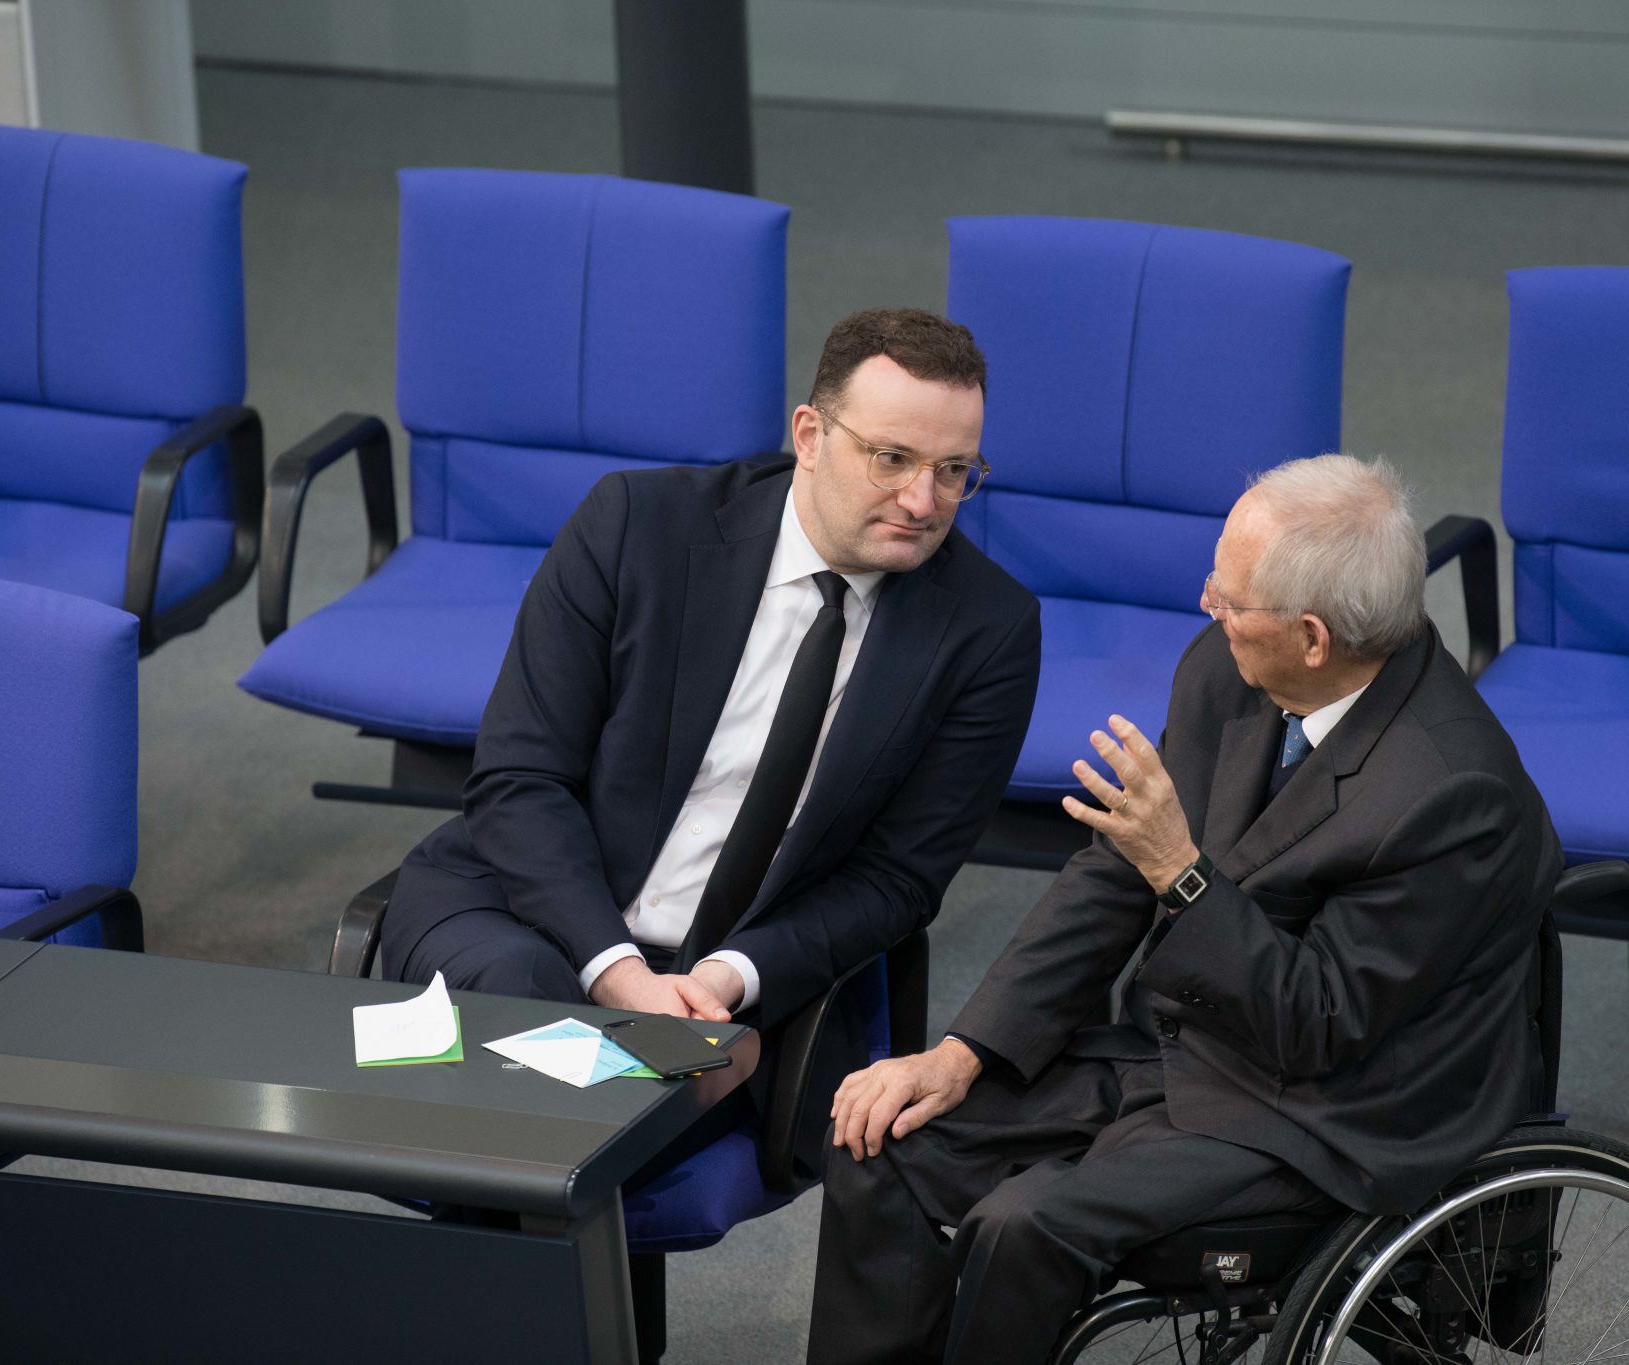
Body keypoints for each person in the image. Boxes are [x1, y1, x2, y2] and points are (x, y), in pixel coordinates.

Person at [808, 454, 1562, 1365]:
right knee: (879, 1144)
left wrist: (1182, 871)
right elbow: (1111, 875)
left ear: (1313, 637)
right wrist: (962, 1052)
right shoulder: (1229, 668)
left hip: (1331, 1115)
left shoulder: (1453, 795)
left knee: (1024, 1224)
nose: (1207, 603)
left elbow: (1318, 1023)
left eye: (1232, 596)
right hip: (1180, 1054)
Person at [382, 309, 1039, 1120]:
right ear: (809, 434)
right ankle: (646, 1086)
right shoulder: (635, 526)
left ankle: (627, 1090)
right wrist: (620, 975)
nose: (921, 500)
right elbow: (521, 780)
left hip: (733, 980)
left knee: (503, 1093)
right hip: (531, 914)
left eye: (954, 471)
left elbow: (898, 879)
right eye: (892, 459)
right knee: (530, 1020)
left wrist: (727, 977)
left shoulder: (987, 631)